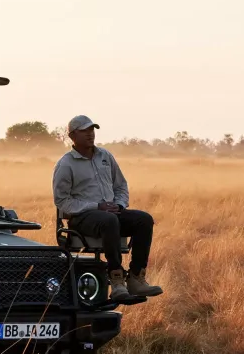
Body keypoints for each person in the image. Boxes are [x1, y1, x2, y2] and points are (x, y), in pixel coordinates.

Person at [52, 114, 163, 303]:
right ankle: (116, 279)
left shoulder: (105, 156)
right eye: (84, 131)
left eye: (92, 129)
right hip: (83, 217)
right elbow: (62, 201)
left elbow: (121, 186)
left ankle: (136, 278)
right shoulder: (66, 164)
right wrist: (97, 206)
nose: (90, 134)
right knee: (109, 220)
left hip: (110, 214)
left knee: (144, 219)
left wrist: (119, 205)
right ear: (72, 136)